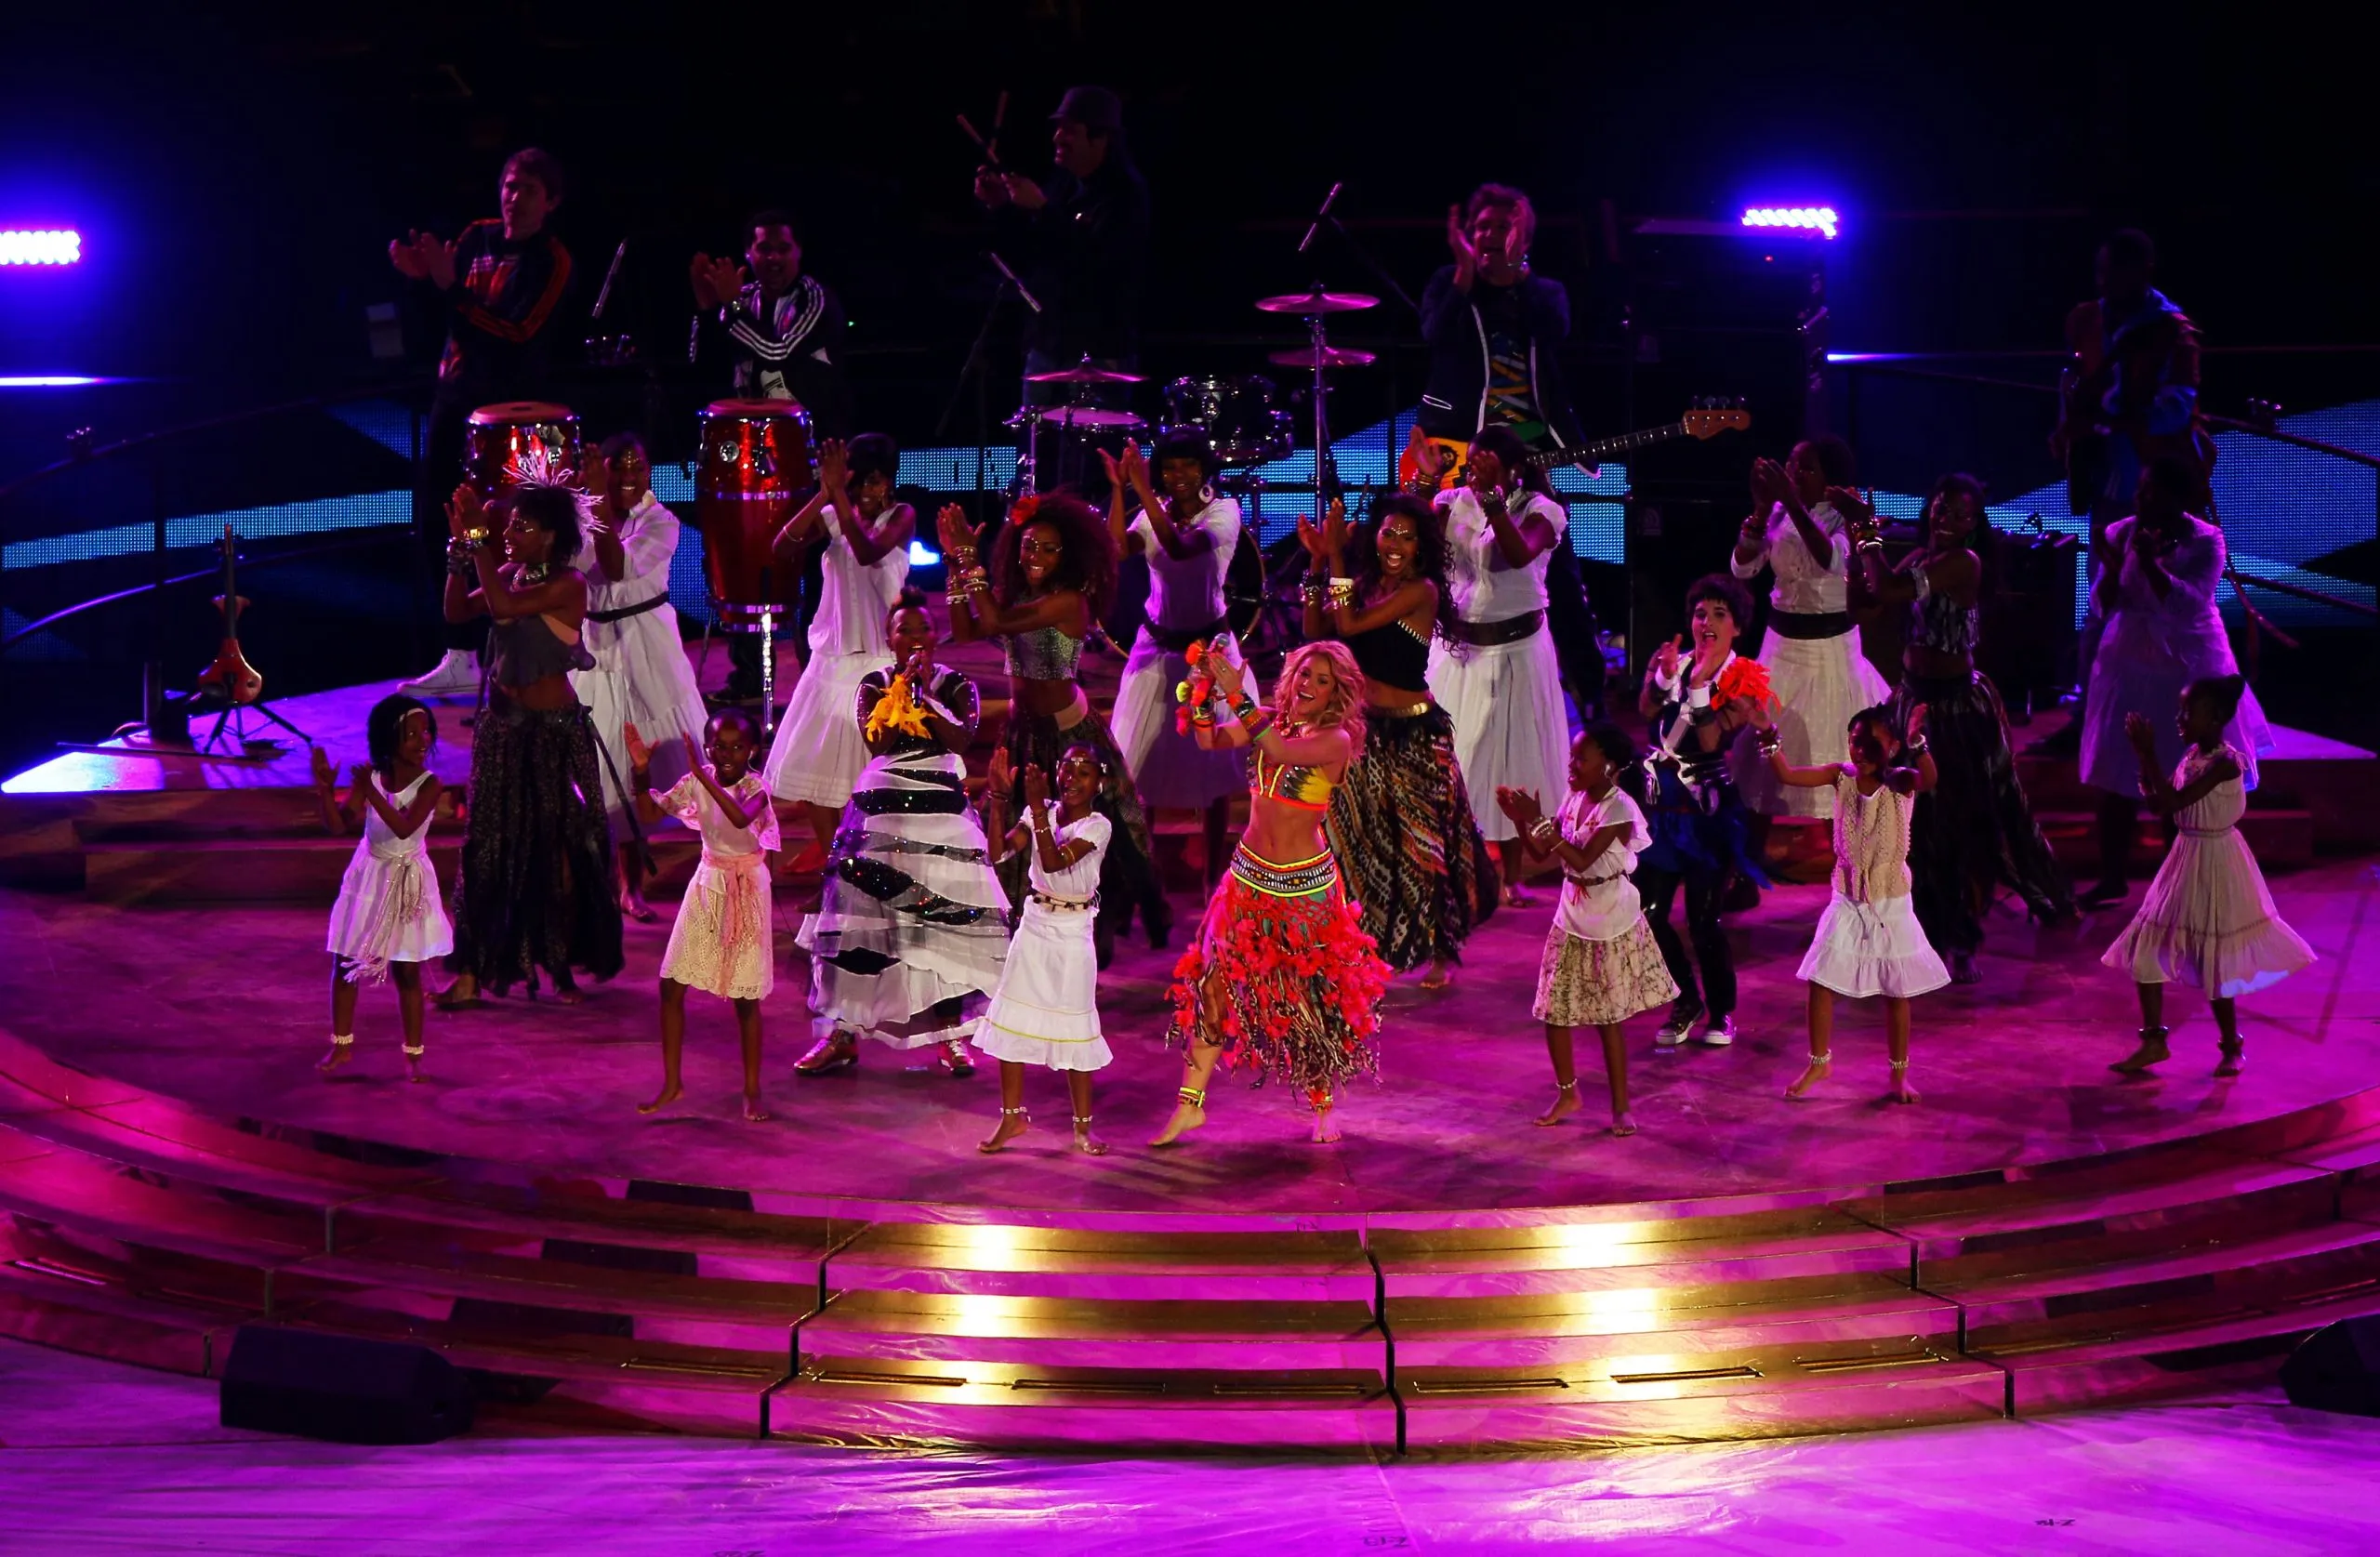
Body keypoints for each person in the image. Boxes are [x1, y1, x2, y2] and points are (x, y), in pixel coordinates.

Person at [1154, 641, 1393, 1148]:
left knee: (1306, 998)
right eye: (1304, 673)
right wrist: (1204, 692)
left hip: (1302, 888)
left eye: (1322, 680)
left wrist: (1236, 693)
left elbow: (1279, 752)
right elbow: (1209, 740)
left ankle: (1322, 1103)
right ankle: (1189, 1106)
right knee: (1212, 985)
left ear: (1337, 693)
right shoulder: (1270, 720)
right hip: (1246, 877)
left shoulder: (1335, 741)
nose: (1309, 684)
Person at [1852, 474, 2073, 982]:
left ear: (1974, 524)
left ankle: (1963, 937)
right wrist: (1853, 551)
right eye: (1941, 508)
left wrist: (1866, 535)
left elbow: (1888, 588)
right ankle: (1928, 931)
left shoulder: (1964, 563)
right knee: (1920, 825)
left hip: (1956, 711)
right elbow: (1868, 602)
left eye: (1960, 514)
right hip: (1913, 702)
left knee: (1962, 823)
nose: (1946, 519)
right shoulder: (1919, 559)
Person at [939, 493, 1165, 960]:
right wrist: (956, 569)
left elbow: (994, 621)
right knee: (1014, 830)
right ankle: (1018, 929)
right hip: (1022, 731)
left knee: (1092, 830)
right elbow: (965, 631)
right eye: (1028, 546)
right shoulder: (1019, 596)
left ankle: (1095, 925)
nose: (1035, 556)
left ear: (1069, 554)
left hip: (1070, 738)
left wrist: (968, 558)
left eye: (1048, 548)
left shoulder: (1069, 602)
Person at [794, 592, 1011, 1075]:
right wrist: (900, 693)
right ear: (888, 639)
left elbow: (960, 739)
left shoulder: (959, 686)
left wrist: (924, 698)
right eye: (903, 631)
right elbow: (878, 742)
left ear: (935, 637)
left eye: (922, 629)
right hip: (882, 813)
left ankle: (950, 1037)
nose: (914, 638)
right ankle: (844, 1035)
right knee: (864, 924)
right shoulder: (872, 685)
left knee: (943, 925)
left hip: (942, 816)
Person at [1412, 181, 1603, 719]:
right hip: (1459, 450)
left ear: (1524, 237)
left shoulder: (1543, 293)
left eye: (1503, 227)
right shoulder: (1449, 285)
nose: (1490, 236)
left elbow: (1554, 328)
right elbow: (1434, 335)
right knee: (1442, 568)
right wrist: (1464, 273)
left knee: (1560, 577)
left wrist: (1515, 272)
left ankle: (1594, 705)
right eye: (1482, 228)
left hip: (1527, 458)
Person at [390, 149, 575, 696]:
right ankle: (457, 654)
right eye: (511, 186)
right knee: (441, 523)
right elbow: (442, 318)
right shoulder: (476, 237)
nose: (515, 198)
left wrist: (449, 288)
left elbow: (517, 337)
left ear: (552, 202)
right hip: (453, 402)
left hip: (509, 418)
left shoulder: (551, 260)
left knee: (502, 532)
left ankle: (508, 652)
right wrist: (421, 282)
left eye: (529, 190)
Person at [435, 479, 623, 1004]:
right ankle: (471, 971)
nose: (510, 532)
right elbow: (457, 612)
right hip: (502, 730)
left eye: (522, 526)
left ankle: (559, 967)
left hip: (554, 734)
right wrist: (459, 555)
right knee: (486, 847)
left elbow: (501, 608)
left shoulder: (570, 585)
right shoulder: (508, 574)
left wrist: (478, 541)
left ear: (550, 536)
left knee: (556, 850)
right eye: (510, 524)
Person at [1300, 492, 1497, 988]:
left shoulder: (1421, 592)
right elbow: (1317, 633)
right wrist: (1318, 562)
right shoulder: (1364, 585)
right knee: (1359, 841)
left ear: (1420, 548)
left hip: (1415, 736)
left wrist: (1336, 555)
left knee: (1423, 847)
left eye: (1407, 538)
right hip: (1363, 733)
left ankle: (1440, 949)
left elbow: (1350, 623)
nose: (1395, 545)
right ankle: (1359, 945)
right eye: (1389, 533)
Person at [2077, 455, 2272, 906]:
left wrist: (2150, 564)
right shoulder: (2120, 533)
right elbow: (2102, 603)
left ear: (2179, 499)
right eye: (2141, 489)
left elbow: (2189, 603)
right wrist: (2114, 567)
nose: (2141, 499)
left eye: (2153, 491)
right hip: (2129, 658)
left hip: (2188, 662)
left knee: (2180, 764)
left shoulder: (2207, 540)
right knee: (2116, 761)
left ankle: (2179, 884)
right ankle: (2112, 878)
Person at [2041, 229, 2205, 758]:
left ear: (2142, 272)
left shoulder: (2172, 331)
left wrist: (2113, 420)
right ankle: (2090, 715)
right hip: (2106, 480)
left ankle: (2171, 717)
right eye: (2101, 271)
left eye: (2115, 272)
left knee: (2161, 600)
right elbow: (2074, 381)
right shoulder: (2087, 319)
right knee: (2101, 597)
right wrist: (2070, 429)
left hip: (2156, 483)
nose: (2104, 281)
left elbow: (2177, 407)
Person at [2106, 676, 2316, 1078]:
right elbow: (2160, 804)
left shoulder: (2226, 763)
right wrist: (2144, 761)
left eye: (2189, 711)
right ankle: (2153, 1040)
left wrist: (2148, 753)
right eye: (2180, 709)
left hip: (2217, 859)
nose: (2179, 717)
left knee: (2214, 957)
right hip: (2185, 855)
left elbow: (2174, 801)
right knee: (2148, 945)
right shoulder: (2191, 756)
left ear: (2216, 718)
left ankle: (2232, 1046)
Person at [690, 208, 855, 700]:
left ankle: (816, 679)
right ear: (749, 253)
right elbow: (700, 362)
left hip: (809, 451)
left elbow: (778, 352)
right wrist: (707, 308)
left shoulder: (815, 299)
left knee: (811, 562)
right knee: (746, 559)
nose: (774, 258)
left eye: (783, 248)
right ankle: (747, 678)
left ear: (799, 252)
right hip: (748, 454)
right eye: (764, 248)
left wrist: (729, 308)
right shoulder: (738, 299)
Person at [1758, 704, 1949, 1105]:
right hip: (1846, 897)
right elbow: (1788, 774)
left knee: (1896, 991)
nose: (1859, 751)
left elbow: (1929, 779)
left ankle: (1899, 1075)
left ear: (1892, 747)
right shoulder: (1840, 777)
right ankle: (1819, 1062)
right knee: (1820, 980)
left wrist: (1918, 743)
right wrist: (1767, 735)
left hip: (1890, 901)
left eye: (1870, 743)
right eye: (1854, 741)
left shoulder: (1901, 781)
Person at [1494, 726, 1677, 1137]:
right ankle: (1568, 1093)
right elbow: (1543, 851)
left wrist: (1538, 820)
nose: (1572, 765)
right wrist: (1522, 822)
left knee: (1607, 1018)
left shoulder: (1619, 809)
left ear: (1607, 765)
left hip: (1609, 917)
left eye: (1581, 758)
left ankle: (1621, 1107)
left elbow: (1581, 859)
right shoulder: (1574, 797)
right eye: (1572, 756)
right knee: (1554, 1010)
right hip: (1571, 913)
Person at [1427, 426, 1571, 906]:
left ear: (1513, 470)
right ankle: (1451, 868)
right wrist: (1425, 485)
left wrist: (1492, 501)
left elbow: (1516, 555)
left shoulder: (1542, 511)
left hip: (1517, 653)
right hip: (1458, 654)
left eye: (1485, 465)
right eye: (1471, 464)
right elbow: (1415, 545)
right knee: (1456, 760)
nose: (1474, 474)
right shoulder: (1451, 502)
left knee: (1514, 761)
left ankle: (1512, 875)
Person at [759, 435, 912, 874]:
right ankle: (837, 873)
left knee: (871, 782)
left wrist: (839, 496)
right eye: (857, 482)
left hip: (878, 664)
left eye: (874, 482)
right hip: (829, 663)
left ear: (889, 481)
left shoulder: (901, 516)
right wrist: (824, 494)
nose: (865, 491)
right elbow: (781, 547)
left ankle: (876, 873)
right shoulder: (834, 513)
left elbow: (866, 552)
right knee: (811, 774)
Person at [1103, 434, 1250, 894]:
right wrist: (1119, 489)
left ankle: (1212, 876)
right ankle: (1143, 876)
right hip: (1156, 650)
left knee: (1214, 770)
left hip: (1210, 652)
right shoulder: (1154, 511)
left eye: (1187, 466)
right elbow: (1115, 550)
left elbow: (1181, 548)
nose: (1178, 476)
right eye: (1169, 468)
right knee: (1140, 765)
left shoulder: (1224, 512)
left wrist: (1144, 490)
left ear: (1205, 470)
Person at [574, 432, 709, 921]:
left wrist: (596, 503)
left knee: (654, 758)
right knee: (601, 759)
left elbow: (615, 568)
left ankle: (646, 883)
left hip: (647, 646)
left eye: (639, 468)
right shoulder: (579, 517)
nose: (630, 477)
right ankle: (608, 883)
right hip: (594, 646)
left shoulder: (661, 522)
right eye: (619, 468)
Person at [1636, 574, 1769, 1048]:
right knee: (1648, 913)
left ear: (1737, 627)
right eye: (1700, 613)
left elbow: (1711, 740)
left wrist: (1695, 689)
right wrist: (1663, 678)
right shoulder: (1674, 661)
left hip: (1708, 819)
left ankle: (1721, 1011)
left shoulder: (1743, 680)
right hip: (1663, 815)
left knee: (1702, 921)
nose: (1706, 622)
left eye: (1719, 614)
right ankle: (1685, 1000)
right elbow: (1646, 711)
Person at [1729, 439, 1894, 823]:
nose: (1794, 473)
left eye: (1806, 468)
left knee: (1829, 742)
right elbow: (1742, 568)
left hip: (1829, 652)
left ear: (1830, 479)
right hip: (1780, 649)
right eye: (1792, 464)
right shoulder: (1778, 513)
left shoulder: (1846, 516)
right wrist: (1761, 509)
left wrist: (1790, 501)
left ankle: (1842, 836)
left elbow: (1831, 560)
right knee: (1765, 755)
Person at [628, 712, 778, 1122]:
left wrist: (699, 774)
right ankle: (672, 1084)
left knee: (745, 998)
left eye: (737, 747)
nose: (726, 754)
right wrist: (641, 772)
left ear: (753, 750)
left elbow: (740, 817)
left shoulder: (757, 787)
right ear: (706, 746)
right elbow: (650, 814)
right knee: (671, 985)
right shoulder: (699, 779)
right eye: (718, 746)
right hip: (708, 881)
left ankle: (752, 1089)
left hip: (747, 887)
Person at [975, 747, 1114, 1157]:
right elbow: (998, 853)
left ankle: (1083, 1129)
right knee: (1011, 1022)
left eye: (1084, 773)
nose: (1072, 778)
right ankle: (1011, 1117)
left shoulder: (1098, 826)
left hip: (1073, 931)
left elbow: (1054, 862)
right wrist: (999, 800)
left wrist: (1037, 810)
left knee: (1075, 1026)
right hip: (1034, 925)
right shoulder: (1043, 811)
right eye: (1067, 769)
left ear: (1100, 783)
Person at [972, 86, 1151, 385]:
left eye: (1069, 130)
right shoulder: (1063, 183)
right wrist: (1002, 206)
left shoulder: (1125, 195)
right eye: (1058, 129)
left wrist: (1042, 210)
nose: (1057, 138)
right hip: (1046, 345)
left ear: (1100, 138)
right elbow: (1034, 252)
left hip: (1099, 353)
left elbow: (1096, 266)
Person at [311, 695, 449, 1081]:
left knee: (407, 972)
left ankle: (414, 1056)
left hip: (407, 881)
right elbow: (338, 826)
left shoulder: (430, 784)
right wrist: (325, 791)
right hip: (369, 875)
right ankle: (341, 1047)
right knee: (346, 964)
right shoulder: (371, 777)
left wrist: (371, 794)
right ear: (390, 738)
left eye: (426, 732)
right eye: (412, 734)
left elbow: (404, 828)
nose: (423, 740)